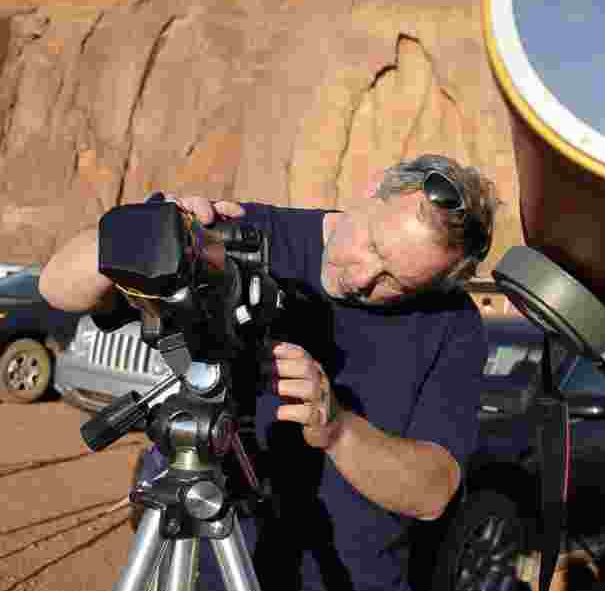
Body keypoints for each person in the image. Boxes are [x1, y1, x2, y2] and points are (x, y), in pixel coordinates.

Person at [39, 154, 499, 591]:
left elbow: (433, 492)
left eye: (396, 281)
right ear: (370, 187)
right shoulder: (243, 233)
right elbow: (58, 286)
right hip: (199, 566)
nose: (362, 279)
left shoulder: (452, 324)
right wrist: (154, 229)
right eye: (372, 245)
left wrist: (338, 431)